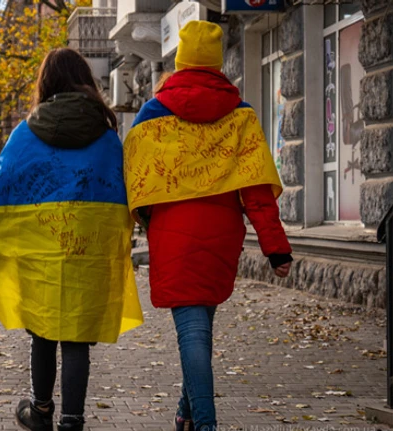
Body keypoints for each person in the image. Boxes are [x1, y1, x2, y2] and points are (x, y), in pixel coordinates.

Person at [0, 48, 143, 431]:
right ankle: (72, 419)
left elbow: (2, 188)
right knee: (77, 336)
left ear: (47, 82)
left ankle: (40, 411)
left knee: (43, 330)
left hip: (40, 254)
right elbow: (122, 194)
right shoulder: (108, 138)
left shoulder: (25, 135)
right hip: (87, 253)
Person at [123, 21, 293, 431]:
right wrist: (276, 248)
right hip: (221, 235)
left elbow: (133, 176)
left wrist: (146, 221)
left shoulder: (151, 115)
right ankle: (186, 413)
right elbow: (257, 192)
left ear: (179, 62)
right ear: (218, 65)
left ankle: (205, 423)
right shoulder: (241, 116)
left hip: (172, 234)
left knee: (193, 332)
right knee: (201, 328)